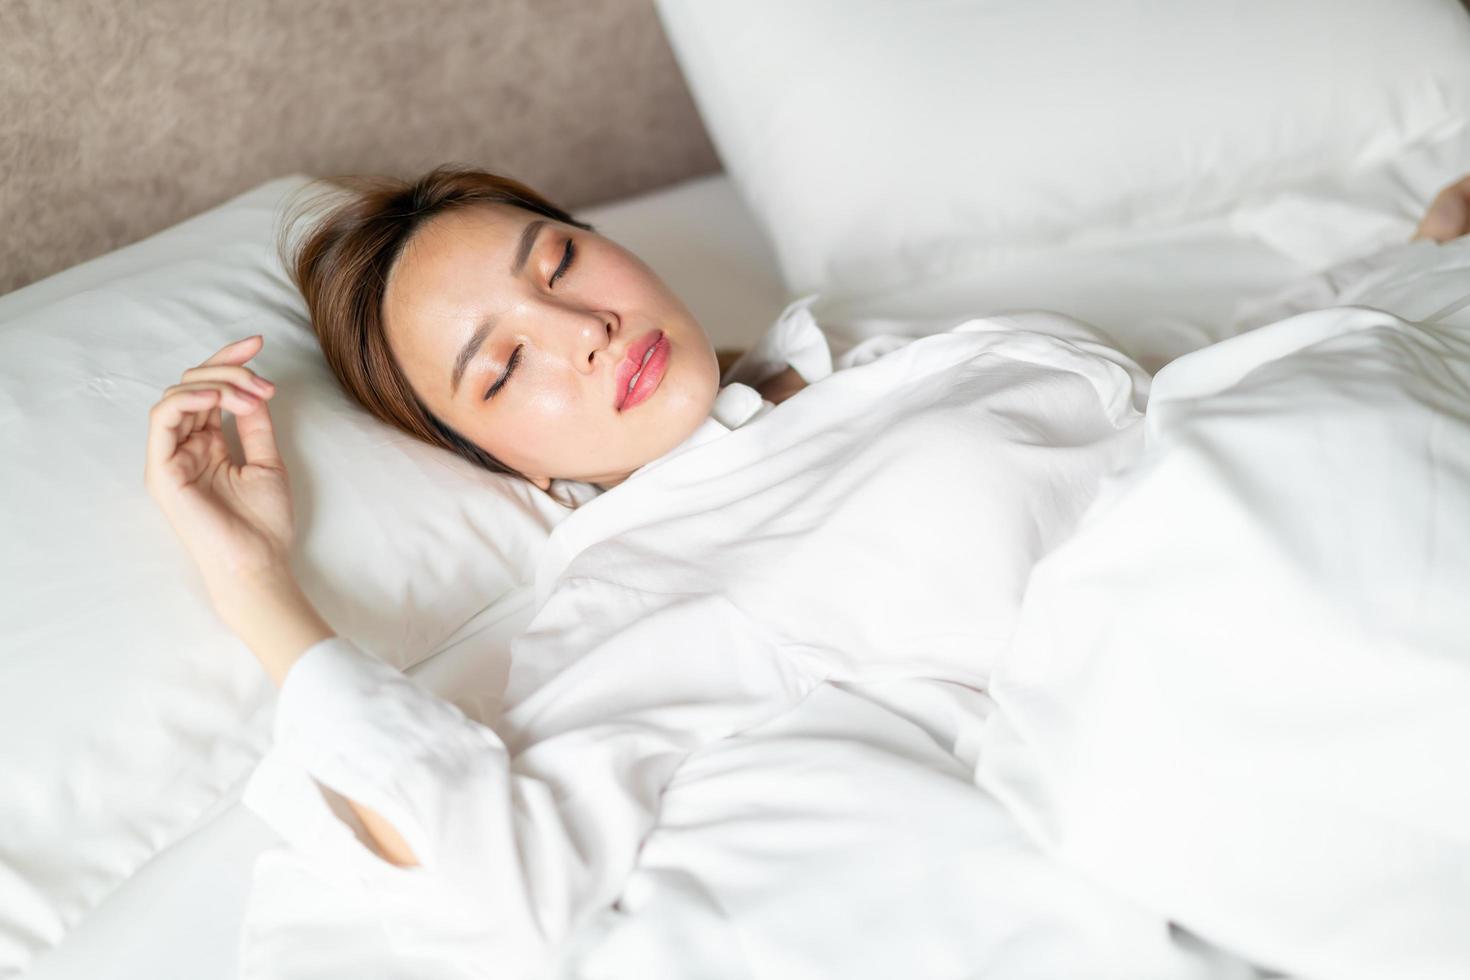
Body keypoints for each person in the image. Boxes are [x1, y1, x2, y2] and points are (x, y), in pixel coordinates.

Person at [142, 165, 1470, 977]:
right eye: (503, 366)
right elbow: (497, 867)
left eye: (556, 261)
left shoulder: (855, 350)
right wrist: (258, 595)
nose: (583, 329)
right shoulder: (641, 589)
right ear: (492, 462)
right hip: (1253, 662)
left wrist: (1414, 266)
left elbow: (1177, 366)